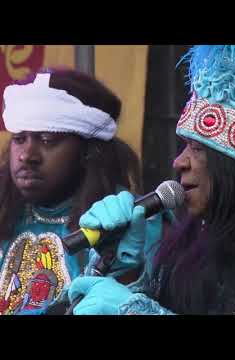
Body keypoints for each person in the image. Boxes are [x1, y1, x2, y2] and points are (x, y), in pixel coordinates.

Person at [66, 46, 235, 315]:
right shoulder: (198, 242)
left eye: (198, 148)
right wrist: (122, 269)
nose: (179, 162)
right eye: (184, 146)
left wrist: (132, 310)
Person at [0, 68, 147, 315]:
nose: (27, 155)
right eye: (19, 138)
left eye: (47, 139)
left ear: (88, 151)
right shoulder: (5, 210)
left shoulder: (132, 219)